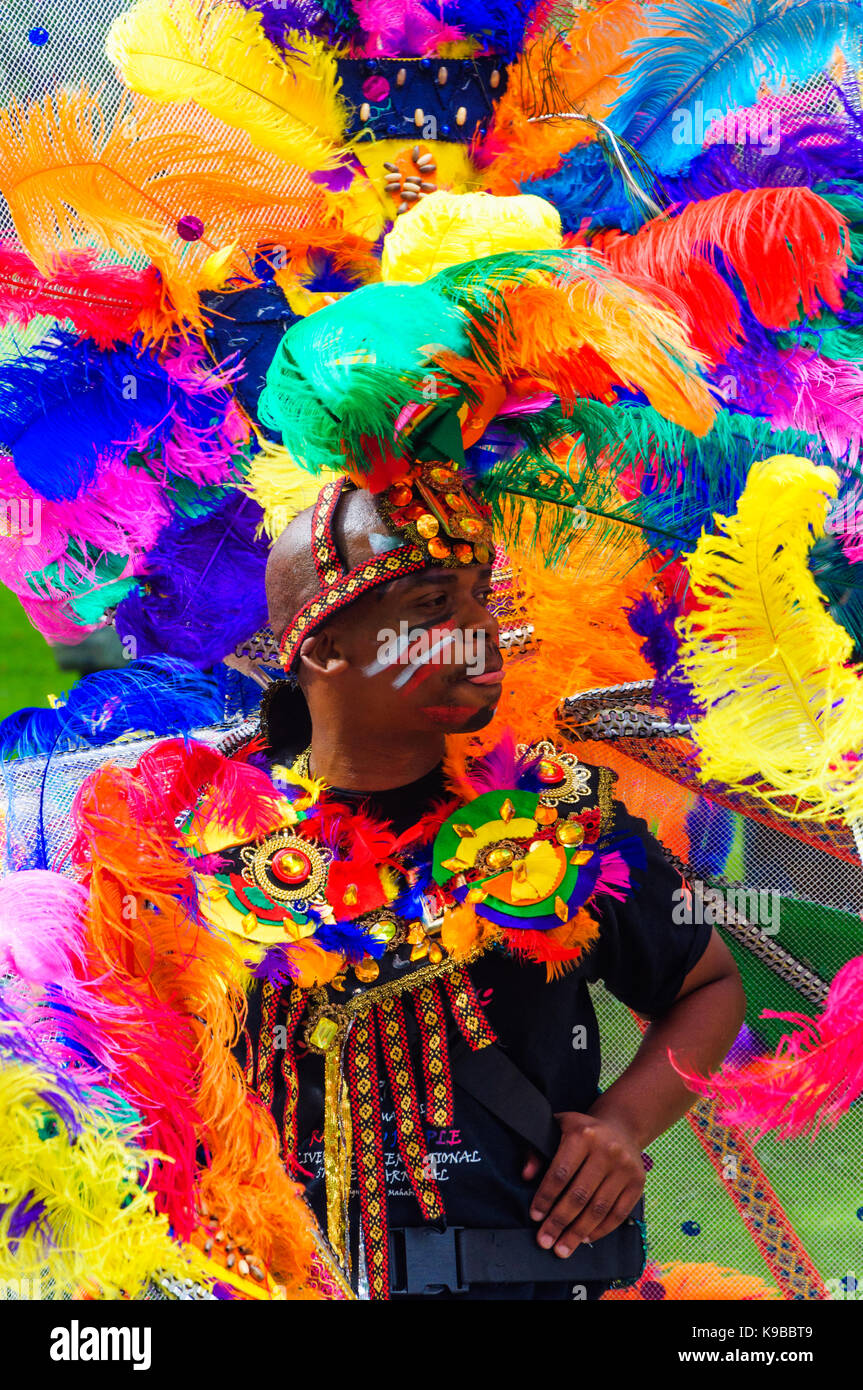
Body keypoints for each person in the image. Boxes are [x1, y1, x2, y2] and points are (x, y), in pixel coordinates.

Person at [229, 480, 747, 1301]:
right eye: (433, 604)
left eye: (480, 594)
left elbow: (709, 985)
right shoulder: (198, 843)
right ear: (323, 647)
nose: (479, 628)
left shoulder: (567, 817)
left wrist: (622, 1126)